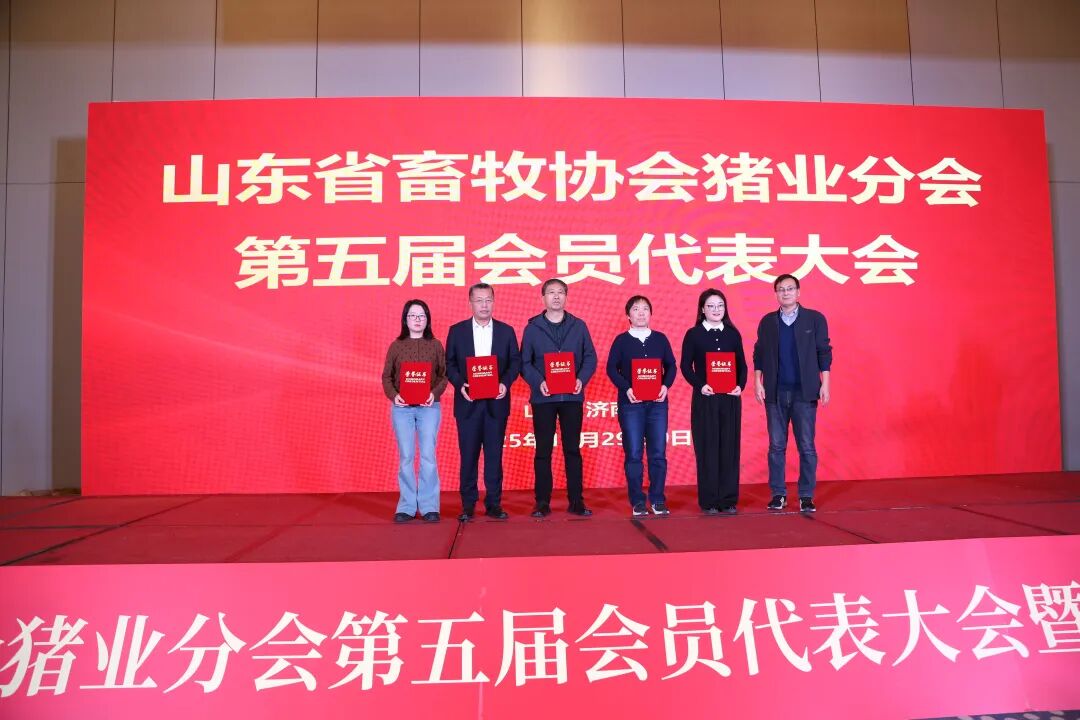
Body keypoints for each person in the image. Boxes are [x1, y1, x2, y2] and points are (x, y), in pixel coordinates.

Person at [753, 274, 833, 513]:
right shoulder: (768, 322)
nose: (785, 293)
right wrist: (757, 382)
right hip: (775, 392)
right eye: (781, 289)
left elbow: (824, 352)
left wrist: (825, 383)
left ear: (798, 292)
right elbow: (759, 353)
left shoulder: (814, 319)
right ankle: (778, 494)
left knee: (806, 446)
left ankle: (806, 495)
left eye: (789, 289)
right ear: (776, 294)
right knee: (776, 446)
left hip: (804, 392)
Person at [520, 278, 598, 518]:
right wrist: (539, 382)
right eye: (551, 292)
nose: (556, 296)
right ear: (543, 298)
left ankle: (576, 500)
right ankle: (542, 502)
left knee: (572, 449)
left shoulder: (579, 326)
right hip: (543, 398)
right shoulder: (532, 328)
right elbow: (524, 362)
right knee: (543, 451)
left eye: (561, 292)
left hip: (572, 397)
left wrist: (581, 379)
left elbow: (590, 357)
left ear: (566, 296)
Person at [445, 283, 521, 521]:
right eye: (479, 300)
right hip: (467, 403)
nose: (484, 305)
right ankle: (468, 505)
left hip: (496, 404)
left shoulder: (506, 331)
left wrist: (505, 383)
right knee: (468, 456)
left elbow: (515, 362)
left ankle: (494, 503)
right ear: (470, 303)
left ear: (494, 302)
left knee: (494, 457)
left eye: (488, 300)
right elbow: (449, 364)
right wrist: (461, 384)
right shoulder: (457, 331)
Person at [606, 295, 677, 517]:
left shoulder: (660, 339)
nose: (641, 313)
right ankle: (637, 500)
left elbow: (671, 365)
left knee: (658, 453)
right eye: (636, 309)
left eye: (645, 308)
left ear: (651, 313)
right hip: (631, 405)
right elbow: (611, 368)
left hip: (657, 405)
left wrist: (665, 386)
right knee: (634, 453)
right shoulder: (621, 341)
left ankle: (657, 499)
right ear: (628, 315)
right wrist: (626, 388)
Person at [680, 288, 747, 515]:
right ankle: (709, 500)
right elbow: (685, 366)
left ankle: (728, 499)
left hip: (730, 399)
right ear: (702, 309)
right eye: (711, 306)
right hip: (705, 399)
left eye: (720, 305)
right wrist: (701, 385)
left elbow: (742, 365)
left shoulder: (732, 334)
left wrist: (740, 385)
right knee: (707, 448)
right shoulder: (694, 334)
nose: (716, 310)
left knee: (729, 447)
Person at [381, 299, 448, 523]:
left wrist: (434, 394)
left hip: (429, 408)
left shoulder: (436, 345)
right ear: (405, 319)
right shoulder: (396, 346)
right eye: (413, 316)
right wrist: (394, 396)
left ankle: (429, 506)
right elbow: (387, 376)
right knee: (406, 457)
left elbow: (444, 375)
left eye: (421, 316)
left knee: (428, 456)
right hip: (402, 410)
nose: (417, 320)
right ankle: (407, 506)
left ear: (427, 320)